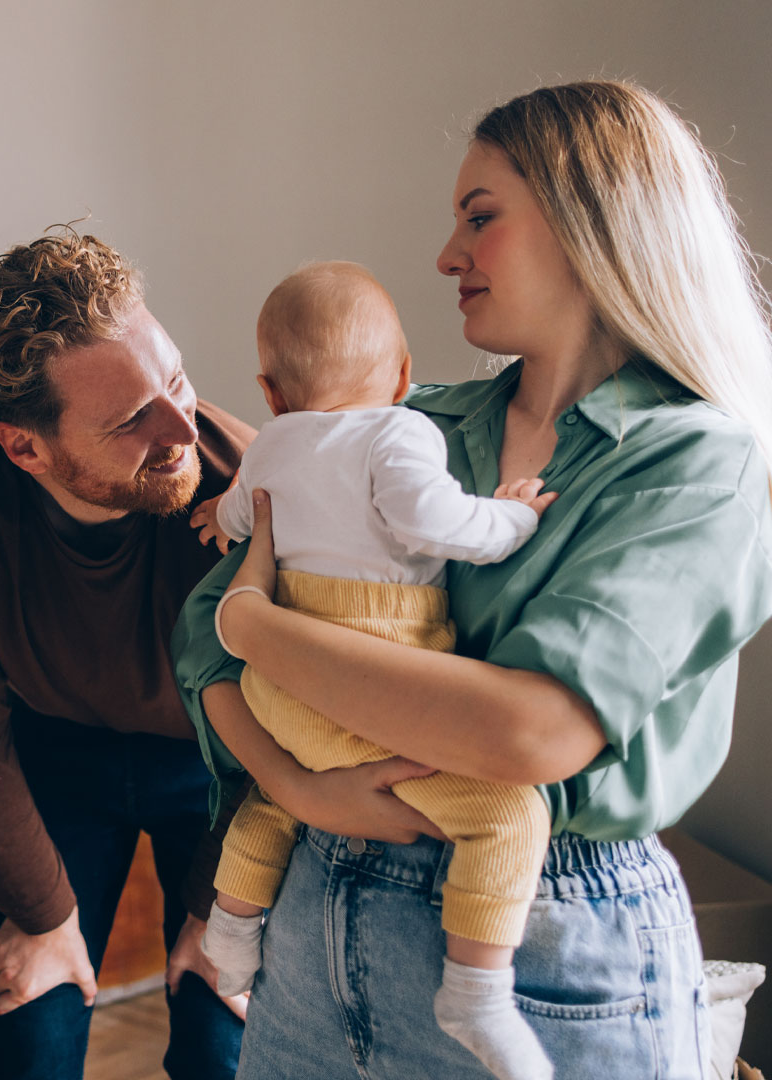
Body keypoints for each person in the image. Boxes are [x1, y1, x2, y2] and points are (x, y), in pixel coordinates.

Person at [173, 80, 772, 1079]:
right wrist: (291, 785)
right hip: (314, 918)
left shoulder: (700, 462)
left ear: (595, 221)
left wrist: (264, 631)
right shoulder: (411, 426)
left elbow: (528, 733)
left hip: (546, 949)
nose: (448, 254)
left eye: (480, 218)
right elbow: (202, 635)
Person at [0, 226, 251, 1080]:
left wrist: (219, 909)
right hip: (54, 755)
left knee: (219, 1039)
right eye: (131, 419)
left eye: (177, 378)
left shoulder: (251, 490)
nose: (179, 428)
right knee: (35, 1044)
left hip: (224, 762)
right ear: (24, 447)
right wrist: (44, 924)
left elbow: (293, 723)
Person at [191, 261, 560, 1080]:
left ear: (270, 392)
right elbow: (435, 519)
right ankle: (475, 989)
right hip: (376, 671)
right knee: (508, 818)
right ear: (402, 374)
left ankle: (231, 933)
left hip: (277, 679)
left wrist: (214, 523)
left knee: (277, 802)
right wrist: (514, 516)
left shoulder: (273, 447)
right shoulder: (400, 429)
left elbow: (235, 515)